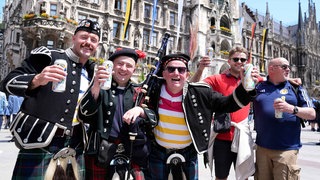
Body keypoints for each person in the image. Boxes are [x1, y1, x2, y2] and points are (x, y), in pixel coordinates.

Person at [124, 53, 259, 179]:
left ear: (187, 74)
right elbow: (137, 103)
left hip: (188, 153)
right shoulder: (153, 90)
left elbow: (228, 104)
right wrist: (138, 108)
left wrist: (245, 86)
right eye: (171, 69)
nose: (176, 73)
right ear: (164, 73)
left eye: (181, 70)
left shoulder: (200, 92)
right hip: (158, 152)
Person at [0, 19, 101, 179]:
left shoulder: (92, 72)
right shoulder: (48, 56)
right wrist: (37, 79)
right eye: (84, 37)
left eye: (93, 40)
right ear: (73, 38)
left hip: (75, 145)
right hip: (41, 143)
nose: (88, 42)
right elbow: (7, 83)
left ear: (97, 45)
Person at [78, 48, 157, 179]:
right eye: (120, 64)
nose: (124, 68)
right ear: (112, 66)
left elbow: (154, 119)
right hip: (100, 151)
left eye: (129, 65)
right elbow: (83, 115)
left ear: (134, 69)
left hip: (131, 151)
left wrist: (140, 110)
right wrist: (96, 85)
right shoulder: (100, 87)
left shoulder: (138, 91)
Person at [253, 57, 316, 180]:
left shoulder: (296, 87)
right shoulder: (259, 86)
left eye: (288, 66)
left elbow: (312, 113)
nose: (288, 69)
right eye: (284, 67)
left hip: (286, 150)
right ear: (271, 68)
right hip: (262, 149)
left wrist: (292, 109)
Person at [202, 46, 255, 180]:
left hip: (242, 135)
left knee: (244, 176)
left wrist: (289, 80)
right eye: (235, 59)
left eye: (242, 59)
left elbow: (271, 83)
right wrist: (200, 68)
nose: (239, 61)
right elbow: (195, 87)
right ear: (229, 61)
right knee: (221, 177)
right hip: (222, 136)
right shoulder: (217, 78)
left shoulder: (252, 80)